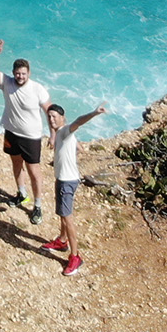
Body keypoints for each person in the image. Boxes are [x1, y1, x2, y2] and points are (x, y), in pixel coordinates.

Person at [0, 41, 50, 224]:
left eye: (23, 73)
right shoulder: (8, 83)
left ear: (29, 73)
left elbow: (49, 110)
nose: (20, 76)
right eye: (18, 73)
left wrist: (54, 133)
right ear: (13, 73)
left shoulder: (37, 89)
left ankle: (37, 205)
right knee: (16, 163)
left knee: (33, 171)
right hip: (12, 132)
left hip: (31, 136)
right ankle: (21, 193)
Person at [39, 99, 107, 275]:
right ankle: (62, 241)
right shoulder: (61, 134)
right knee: (62, 213)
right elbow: (78, 148)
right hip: (63, 179)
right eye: (49, 117)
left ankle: (75, 257)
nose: (52, 120)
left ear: (63, 118)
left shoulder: (66, 131)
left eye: (54, 117)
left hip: (67, 181)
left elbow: (78, 122)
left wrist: (94, 113)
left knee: (67, 218)